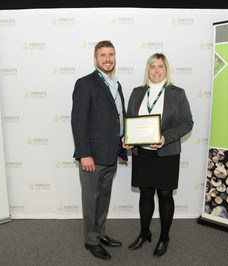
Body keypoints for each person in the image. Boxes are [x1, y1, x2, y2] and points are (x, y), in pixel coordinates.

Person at [123, 53, 193, 257]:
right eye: (152, 66)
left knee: (165, 195)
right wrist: (127, 138)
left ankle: (164, 237)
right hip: (142, 154)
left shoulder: (177, 93)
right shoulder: (137, 92)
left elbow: (187, 123)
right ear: (147, 70)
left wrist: (165, 137)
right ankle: (144, 233)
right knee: (145, 193)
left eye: (160, 66)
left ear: (166, 69)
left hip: (167, 154)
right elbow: (129, 120)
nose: (156, 71)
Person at [71, 40, 127, 260]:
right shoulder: (85, 83)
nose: (108, 59)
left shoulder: (116, 84)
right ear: (95, 59)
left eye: (111, 54)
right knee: (91, 200)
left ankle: (101, 233)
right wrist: (84, 154)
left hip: (111, 154)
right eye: (103, 55)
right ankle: (90, 241)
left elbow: (117, 117)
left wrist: (123, 142)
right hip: (92, 156)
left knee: (103, 198)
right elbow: (78, 122)